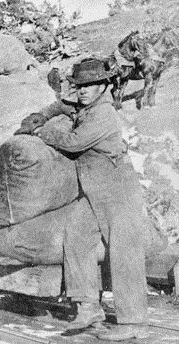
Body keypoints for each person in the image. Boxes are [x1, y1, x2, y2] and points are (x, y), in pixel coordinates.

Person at [24, 58, 151, 341]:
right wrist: (42, 114)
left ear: (103, 86)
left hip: (117, 190)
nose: (82, 91)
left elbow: (74, 142)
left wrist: (42, 132)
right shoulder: (87, 106)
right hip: (94, 189)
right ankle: (88, 306)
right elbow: (65, 106)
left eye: (89, 85)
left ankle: (134, 322)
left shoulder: (103, 114)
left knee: (123, 251)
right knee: (77, 234)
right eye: (78, 85)